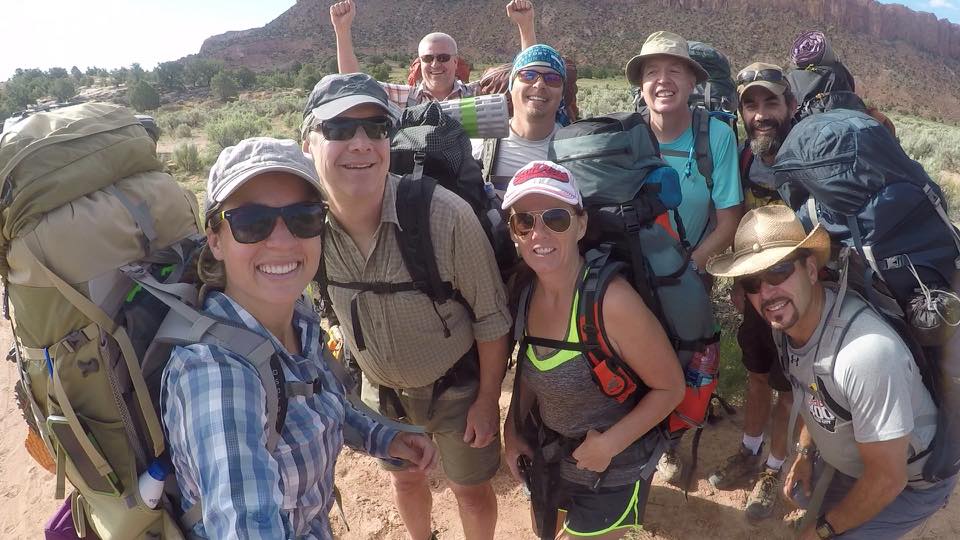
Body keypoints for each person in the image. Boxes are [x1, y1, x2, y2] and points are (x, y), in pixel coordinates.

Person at [161, 137, 438, 539]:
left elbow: (320, 400)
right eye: (252, 222)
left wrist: (383, 437)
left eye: (304, 216)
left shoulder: (299, 319)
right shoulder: (218, 376)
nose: (282, 240)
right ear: (216, 240)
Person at [301, 73, 512, 540]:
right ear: (307, 143)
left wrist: (485, 401)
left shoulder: (443, 215)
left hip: (458, 389)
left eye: (376, 128)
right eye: (339, 130)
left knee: (470, 491)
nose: (361, 143)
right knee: (405, 477)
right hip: (381, 394)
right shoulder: (300, 230)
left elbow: (492, 318)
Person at [706, 206, 958, 540]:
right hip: (857, 457)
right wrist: (806, 453)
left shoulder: (864, 356)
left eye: (779, 271)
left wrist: (825, 530)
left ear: (811, 269)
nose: (767, 293)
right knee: (806, 504)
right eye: (753, 281)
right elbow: (813, 391)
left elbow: (887, 479)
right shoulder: (787, 325)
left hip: (909, 480)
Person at [502, 161, 685, 539]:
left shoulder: (612, 302)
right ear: (514, 233)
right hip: (551, 459)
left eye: (556, 218)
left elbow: (671, 388)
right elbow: (529, 371)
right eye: (525, 221)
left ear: (581, 225)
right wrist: (513, 429)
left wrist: (609, 445)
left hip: (613, 469)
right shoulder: (525, 289)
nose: (540, 233)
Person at [624, 30, 743, 483]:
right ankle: (631, 448)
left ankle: (668, 442)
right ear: (641, 84)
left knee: (680, 360)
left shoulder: (714, 136)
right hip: (632, 276)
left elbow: (729, 217)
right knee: (630, 362)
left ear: (693, 82)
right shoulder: (629, 135)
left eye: (674, 70)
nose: (663, 80)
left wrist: (689, 269)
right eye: (652, 71)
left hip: (689, 271)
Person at [707, 63, 797, 523]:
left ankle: (775, 470)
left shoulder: (805, 153)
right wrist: (741, 285)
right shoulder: (744, 157)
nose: (761, 114)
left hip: (800, 297)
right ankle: (749, 451)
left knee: (790, 388)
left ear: (790, 105)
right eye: (751, 104)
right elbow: (741, 219)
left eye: (771, 102)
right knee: (759, 375)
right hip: (757, 291)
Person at [329, 0, 537, 110]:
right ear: (419, 63)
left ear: (456, 62)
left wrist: (525, 25)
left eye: (443, 57)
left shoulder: (477, 94)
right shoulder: (403, 98)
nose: (435, 64)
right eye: (428, 58)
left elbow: (530, 78)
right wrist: (342, 29)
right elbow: (355, 85)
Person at [472, 42, 571, 193]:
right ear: (511, 86)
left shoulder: (575, 151)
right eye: (528, 75)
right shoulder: (479, 147)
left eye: (552, 78)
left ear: (562, 93)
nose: (539, 85)